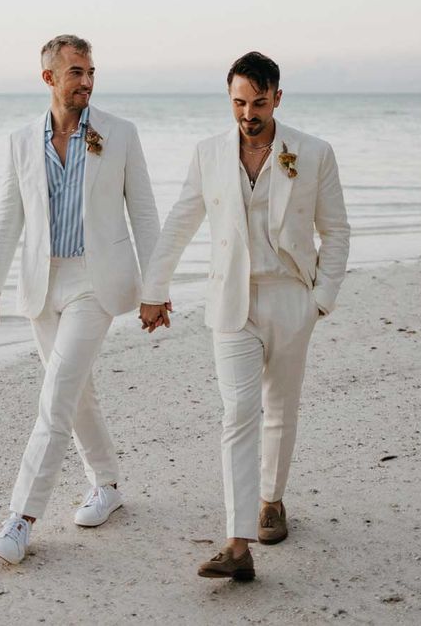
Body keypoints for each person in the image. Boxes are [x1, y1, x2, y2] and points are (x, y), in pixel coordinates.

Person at [139, 51, 349, 580]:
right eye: (238, 102)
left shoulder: (315, 153)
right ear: (228, 98)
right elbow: (180, 222)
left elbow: (337, 231)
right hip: (232, 303)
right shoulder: (208, 154)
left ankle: (271, 500)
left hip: (290, 298)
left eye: (258, 102)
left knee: (281, 408)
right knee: (238, 414)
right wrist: (154, 289)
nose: (247, 113)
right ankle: (237, 544)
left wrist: (320, 298)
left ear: (278, 97)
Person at [0, 34, 162, 565]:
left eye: (91, 72)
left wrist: (157, 288)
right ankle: (107, 484)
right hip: (42, 283)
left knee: (56, 394)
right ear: (49, 78)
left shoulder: (119, 134)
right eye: (76, 72)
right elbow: (7, 217)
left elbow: (144, 214)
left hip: (95, 282)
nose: (86, 81)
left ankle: (20, 518)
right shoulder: (20, 141)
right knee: (76, 392)